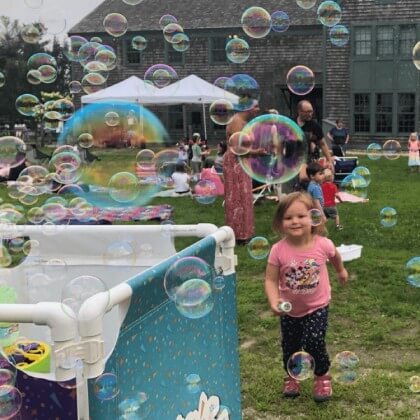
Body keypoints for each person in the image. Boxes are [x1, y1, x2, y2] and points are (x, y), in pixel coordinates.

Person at [264, 192, 348, 402]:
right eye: (288, 217)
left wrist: (340, 271)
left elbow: (335, 256)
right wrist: (274, 300)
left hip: (317, 305)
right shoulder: (278, 250)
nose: (295, 221)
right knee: (290, 345)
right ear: (280, 222)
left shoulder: (323, 244)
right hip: (289, 309)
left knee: (314, 340)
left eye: (301, 216)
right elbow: (271, 280)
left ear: (314, 217)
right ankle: (292, 375)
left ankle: (321, 376)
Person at [224, 100, 261, 245]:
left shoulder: (242, 121)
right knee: (237, 198)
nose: (258, 109)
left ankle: (245, 232)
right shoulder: (237, 121)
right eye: (256, 106)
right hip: (235, 163)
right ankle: (238, 234)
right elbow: (236, 149)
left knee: (244, 197)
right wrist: (256, 152)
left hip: (241, 162)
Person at [295, 101, 334, 184]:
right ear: (299, 111)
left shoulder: (315, 126)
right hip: (291, 158)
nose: (310, 114)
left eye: (311, 111)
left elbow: (323, 144)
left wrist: (329, 160)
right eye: (307, 112)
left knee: (304, 177)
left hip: (307, 158)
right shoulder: (291, 122)